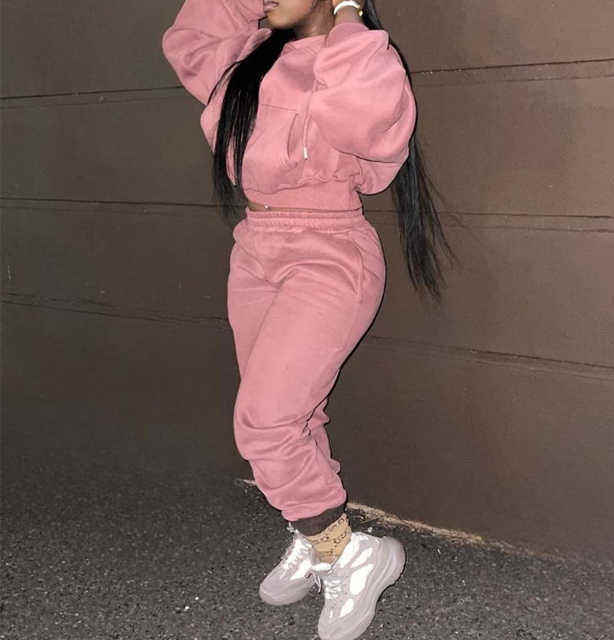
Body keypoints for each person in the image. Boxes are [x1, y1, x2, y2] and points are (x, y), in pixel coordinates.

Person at [162, 1, 454, 638]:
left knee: (264, 423)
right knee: (294, 415)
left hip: (329, 251)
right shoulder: (246, 58)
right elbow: (191, 38)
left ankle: (349, 552)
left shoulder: (362, 58)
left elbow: (367, 123)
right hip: (255, 247)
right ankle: (314, 536)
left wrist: (347, 16)